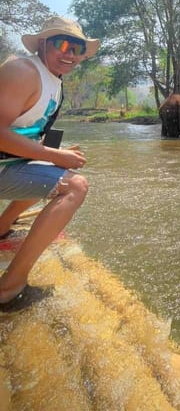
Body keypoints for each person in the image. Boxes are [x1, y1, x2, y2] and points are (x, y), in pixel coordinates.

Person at [0, 16, 100, 308]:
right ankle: (8, 287)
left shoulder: (53, 81)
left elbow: (21, 132)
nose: (69, 54)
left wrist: (53, 152)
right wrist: (54, 155)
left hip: (7, 164)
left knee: (54, 170)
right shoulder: (22, 71)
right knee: (75, 186)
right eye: (62, 44)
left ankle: (2, 228)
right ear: (43, 44)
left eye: (77, 49)